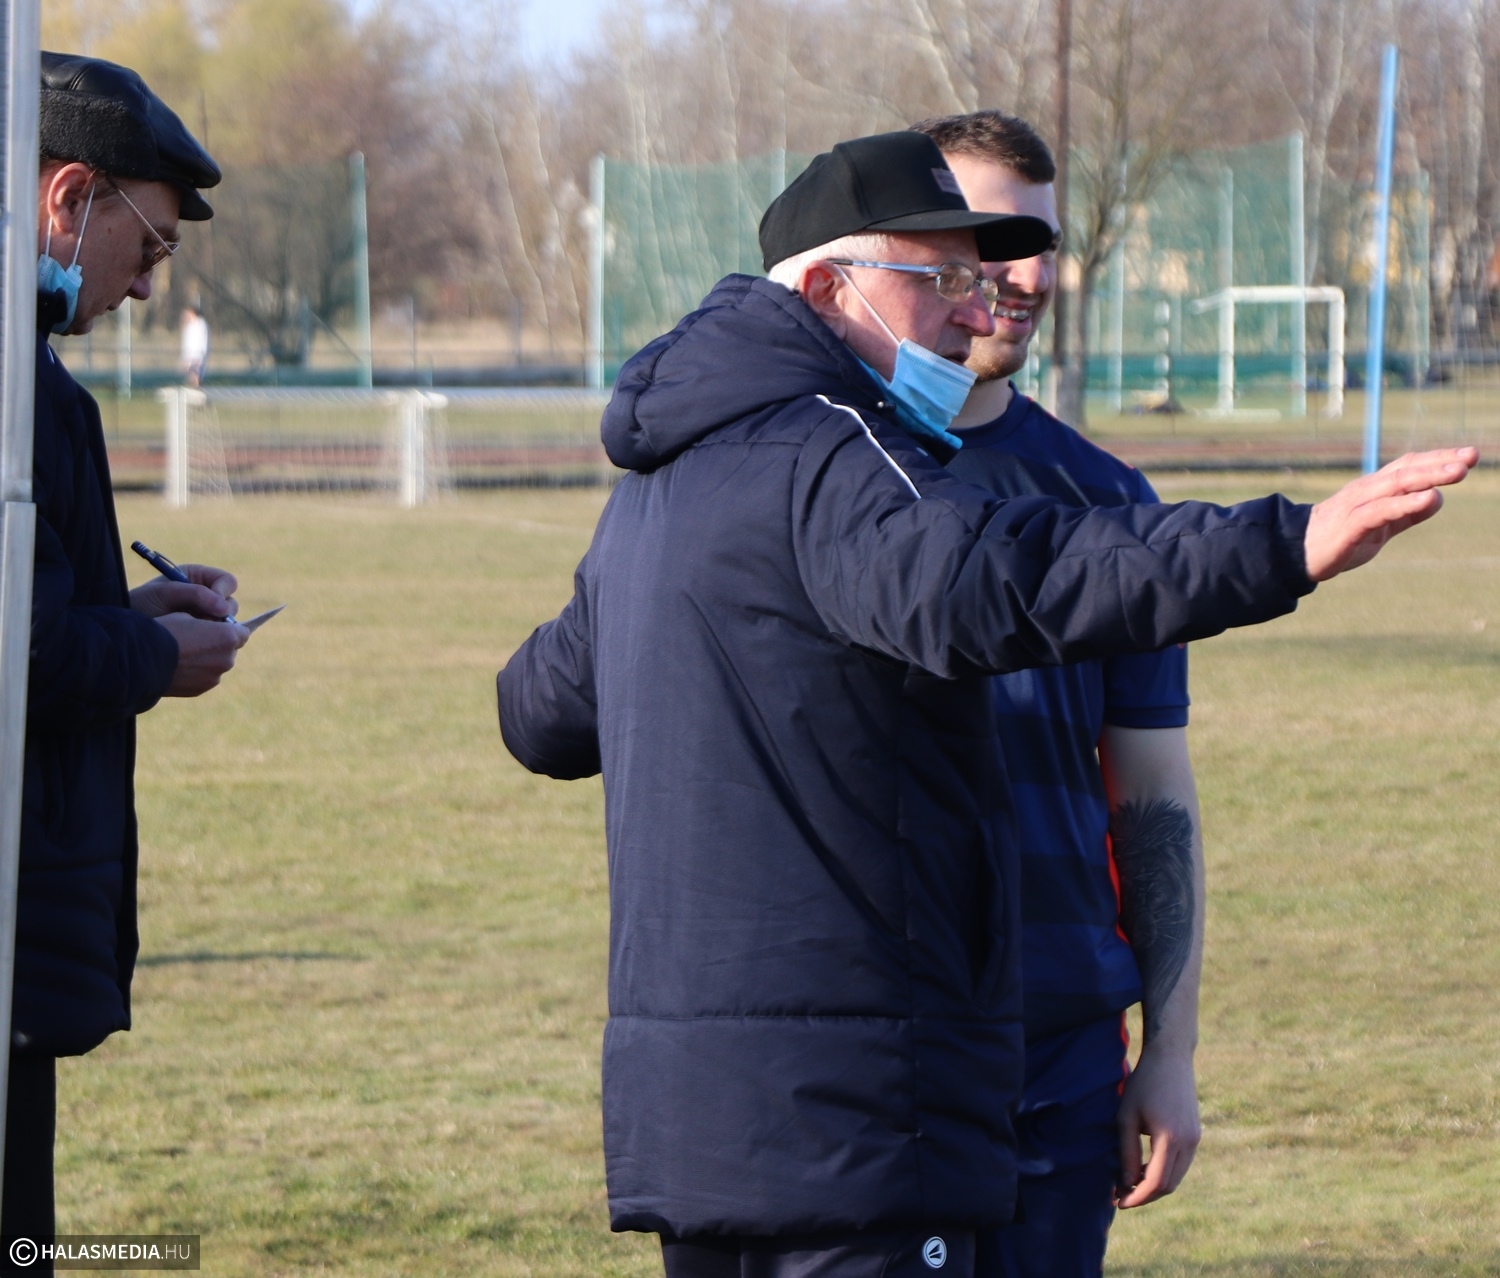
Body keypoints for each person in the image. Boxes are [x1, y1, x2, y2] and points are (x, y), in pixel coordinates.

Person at [496, 130, 1473, 1278]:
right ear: (831, 289)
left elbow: (538, 708)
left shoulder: (661, 485)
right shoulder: (841, 460)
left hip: (713, 1130)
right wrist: (1284, 544)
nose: (978, 308)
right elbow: (1011, 580)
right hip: (858, 1122)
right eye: (942, 278)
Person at [912, 109, 1199, 1277]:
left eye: (1044, 243)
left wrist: (1168, 1052)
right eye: (999, 240)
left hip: (1062, 1054)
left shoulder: (1107, 499)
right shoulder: (824, 477)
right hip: (880, 1047)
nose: (1029, 276)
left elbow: (1154, 797)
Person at [7, 52, 249, 1266]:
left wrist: (132, 611)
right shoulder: (15, 386)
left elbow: (36, 610)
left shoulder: (32, 370)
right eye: (146, 245)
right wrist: (153, 656)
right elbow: (23, 651)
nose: (148, 285)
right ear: (68, 197)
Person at [179, 302, 209, 386]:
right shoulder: (189, 326)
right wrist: (186, 357)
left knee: (195, 375)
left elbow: (203, 342)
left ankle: (197, 387)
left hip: (197, 356)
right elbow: (186, 343)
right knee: (190, 376)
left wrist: (199, 357)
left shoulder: (201, 325)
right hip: (190, 356)